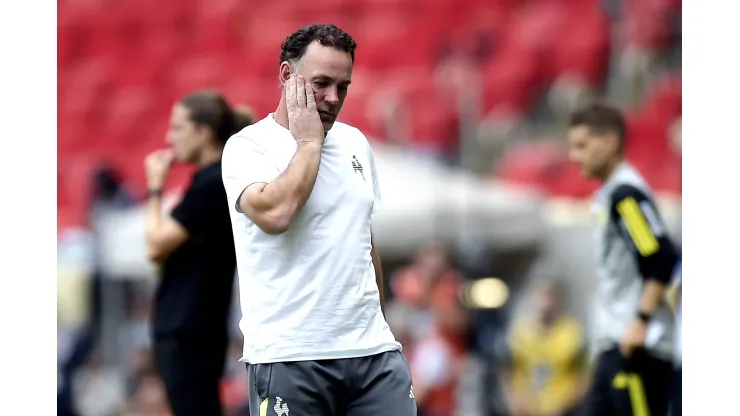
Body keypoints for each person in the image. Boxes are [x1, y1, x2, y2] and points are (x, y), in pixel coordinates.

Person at [221, 23, 416, 416]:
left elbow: (364, 238)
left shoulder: (356, 142)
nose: (332, 98)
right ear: (286, 76)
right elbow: (277, 214)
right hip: (292, 356)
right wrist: (309, 142)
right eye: (321, 83)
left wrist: (379, 322)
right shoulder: (248, 148)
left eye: (343, 87)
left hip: (373, 355)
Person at [567, 103, 680, 416]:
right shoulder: (610, 195)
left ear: (609, 142)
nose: (573, 156)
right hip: (614, 344)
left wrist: (640, 321)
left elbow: (662, 257)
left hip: (635, 349)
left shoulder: (625, 195)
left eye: (582, 145)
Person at [144, 91, 253, 416]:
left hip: (190, 329)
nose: (169, 137)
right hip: (193, 328)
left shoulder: (213, 182)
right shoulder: (207, 181)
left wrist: (154, 188)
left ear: (204, 132)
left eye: (178, 128)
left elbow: (155, 244)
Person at [501, 281, 587, 416]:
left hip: (562, 410)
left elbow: (582, 375)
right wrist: (513, 401)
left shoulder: (572, 332)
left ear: (557, 299)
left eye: (548, 295)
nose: (544, 302)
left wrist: (569, 404)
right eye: (540, 295)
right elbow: (506, 370)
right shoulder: (519, 332)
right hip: (527, 410)